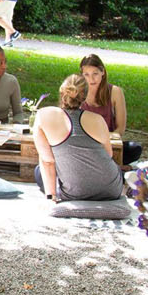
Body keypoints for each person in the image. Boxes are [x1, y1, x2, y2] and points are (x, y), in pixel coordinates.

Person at [32, 74, 124, 202]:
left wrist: (51, 197)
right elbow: (108, 154)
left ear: (62, 91)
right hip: (111, 189)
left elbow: (47, 161)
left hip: (75, 192)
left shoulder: (44, 115)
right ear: (84, 97)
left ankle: (52, 193)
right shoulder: (98, 120)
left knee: (38, 171)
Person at [79, 54, 142, 166]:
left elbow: (120, 129)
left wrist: (104, 141)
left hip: (108, 143)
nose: (91, 79)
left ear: (102, 72)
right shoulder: (78, 92)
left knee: (134, 148)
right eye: (86, 75)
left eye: (95, 74)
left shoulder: (115, 92)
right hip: (84, 144)